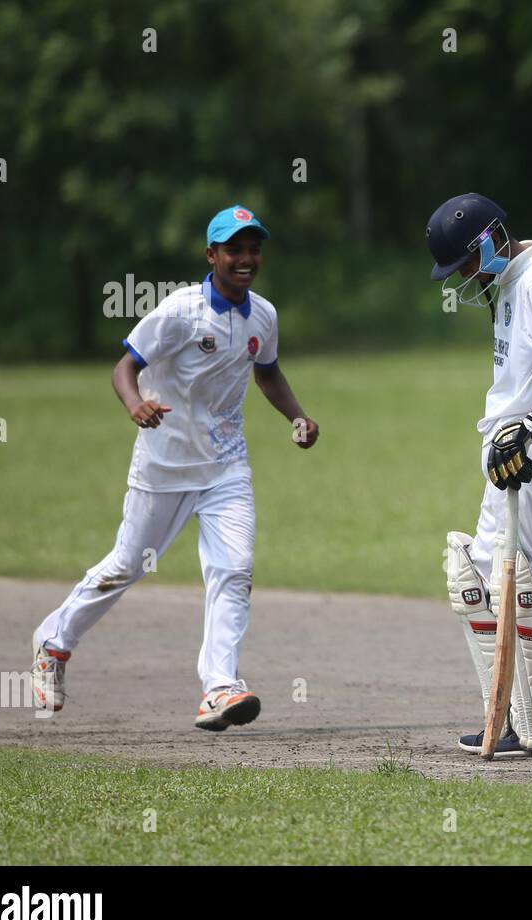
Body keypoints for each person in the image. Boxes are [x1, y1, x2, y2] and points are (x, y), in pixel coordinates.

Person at [30, 205, 320, 730]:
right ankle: (54, 641)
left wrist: (297, 417)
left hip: (226, 469)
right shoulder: (179, 312)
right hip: (163, 468)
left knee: (234, 571)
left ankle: (220, 688)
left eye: (254, 248)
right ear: (212, 256)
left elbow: (268, 374)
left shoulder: (264, 316)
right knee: (126, 566)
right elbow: (125, 368)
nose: (246, 258)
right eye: (234, 249)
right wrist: (135, 404)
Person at [428, 193, 532, 757]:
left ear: (489, 239)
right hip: (514, 446)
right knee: (498, 574)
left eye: (468, 263)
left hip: (522, 449)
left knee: (516, 580)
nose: (469, 276)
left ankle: (530, 717)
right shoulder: (511, 279)